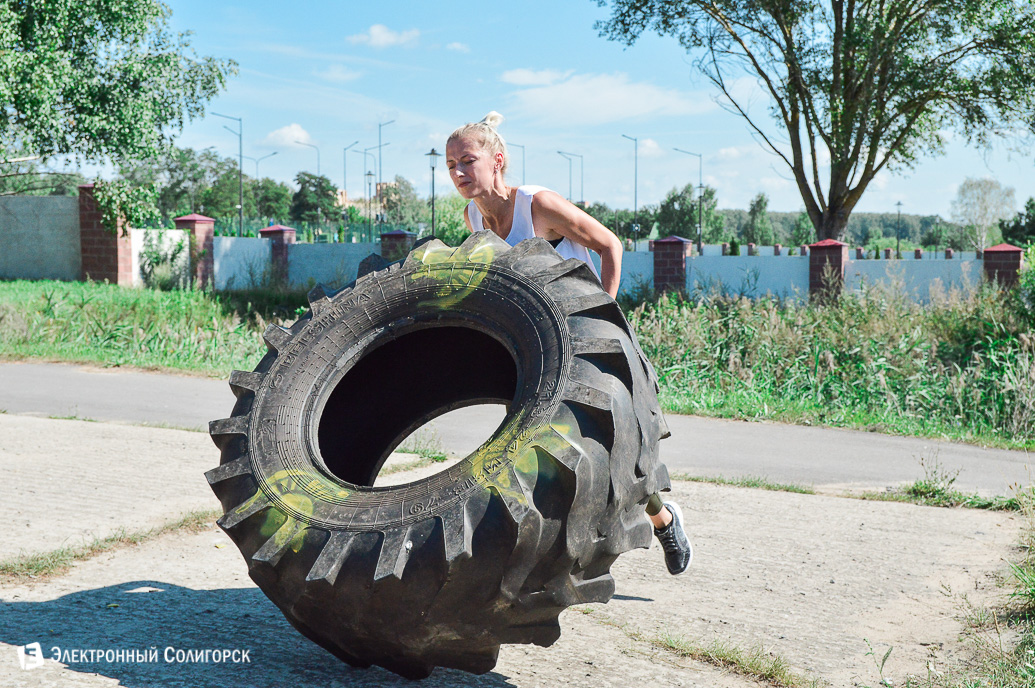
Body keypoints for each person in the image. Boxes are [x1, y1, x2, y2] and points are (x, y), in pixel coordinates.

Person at [445, 111, 693, 575]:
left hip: (590, 341)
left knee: (621, 454)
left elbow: (609, 246)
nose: (458, 173)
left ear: (497, 160)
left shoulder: (537, 205)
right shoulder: (472, 217)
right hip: (538, 348)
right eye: (451, 165)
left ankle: (662, 521)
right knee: (541, 449)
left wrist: (606, 319)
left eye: (468, 161)